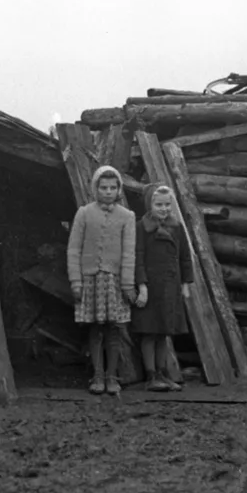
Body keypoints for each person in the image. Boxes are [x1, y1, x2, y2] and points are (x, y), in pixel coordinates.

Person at [67, 165, 137, 395]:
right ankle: (97, 375)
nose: (108, 191)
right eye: (103, 187)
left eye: (112, 187)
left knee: (113, 329)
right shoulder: (84, 213)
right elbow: (74, 249)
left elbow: (129, 252)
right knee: (95, 328)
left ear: (119, 190)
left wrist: (127, 284)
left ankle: (112, 376)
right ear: (95, 188)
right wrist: (76, 281)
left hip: (114, 282)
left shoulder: (127, 217)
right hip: (91, 281)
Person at [133, 183, 192, 392]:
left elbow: (185, 257)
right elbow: (137, 257)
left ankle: (162, 374)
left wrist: (185, 283)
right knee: (149, 331)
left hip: (170, 287)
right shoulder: (142, 226)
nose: (164, 209)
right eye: (159, 204)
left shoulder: (176, 227)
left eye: (167, 204)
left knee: (163, 332)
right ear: (150, 204)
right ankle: (151, 376)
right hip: (151, 288)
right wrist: (142, 286)